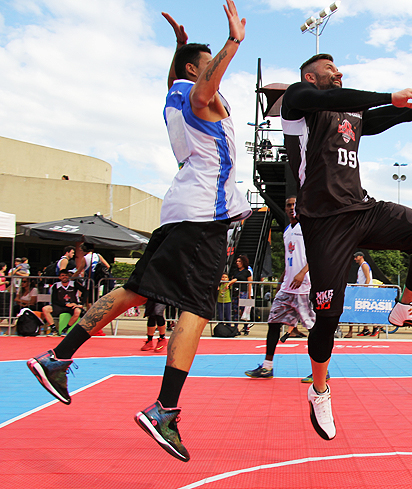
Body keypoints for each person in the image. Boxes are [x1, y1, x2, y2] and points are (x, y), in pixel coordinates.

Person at [26, 1, 251, 462]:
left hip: (181, 211)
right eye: (207, 66)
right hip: (203, 217)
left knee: (134, 291)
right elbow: (204, 91)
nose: (216, 74)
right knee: (197, 308)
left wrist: (179, 48)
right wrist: (232, 43)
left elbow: (186, 81)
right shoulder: (197, 94)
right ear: (195, 70)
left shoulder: (173, 92)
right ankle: (165, 409)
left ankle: (58, 358)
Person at [281, 53, 412, 441]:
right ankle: (320, 391)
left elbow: (397, 115)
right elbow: (331, 100)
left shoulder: (349, 116)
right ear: (310, 76)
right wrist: (387, 94)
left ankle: (405, 307)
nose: (339, 72)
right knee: (328, 317)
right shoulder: (300, 103)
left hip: (362, 210)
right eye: (331, 69)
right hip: (323, 224)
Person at [245, 197, 319, 380]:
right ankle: (267, 367)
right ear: (285, 209)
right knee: (273, 324)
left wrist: (302, 273)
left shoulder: (308, 228)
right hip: (287, 288)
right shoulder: (287, 231)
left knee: (313, 329)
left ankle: (321, 371)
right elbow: (289, 260)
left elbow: (318, 253)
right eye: (289, 205)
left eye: (296, 204)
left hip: (304, 288)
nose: (292, 208)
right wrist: (280, 281)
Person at [41, 270, 84, 336]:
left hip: (72, 305)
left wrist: (81, 304)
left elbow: (86, 291)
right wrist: (65, 304)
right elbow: (54, 300)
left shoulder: (74, 284)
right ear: (59, 277)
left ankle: (66, 329)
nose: (64, 277)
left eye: (66, 275)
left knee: (78, 312)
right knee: (45, 309)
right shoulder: (56, 286)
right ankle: (54, 329)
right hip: (60, 306)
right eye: (62, 275)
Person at [229, 254, 252, 333]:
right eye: (237, 261)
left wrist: (249, 295)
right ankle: (235, 327)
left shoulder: (247, 272)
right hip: (235, 292)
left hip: (243, 292)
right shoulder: (235, 272)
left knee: (243, 310)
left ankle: (246, 327)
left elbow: (250, 284)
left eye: (239, 261)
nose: (237, 263)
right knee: (235, 310)